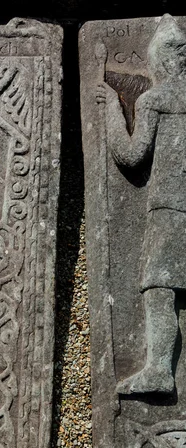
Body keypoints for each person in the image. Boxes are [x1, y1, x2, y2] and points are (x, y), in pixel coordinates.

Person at [97, 14, 186, 394]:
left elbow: (131, 156)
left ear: (161, 60)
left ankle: (160, 371)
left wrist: (112, 111)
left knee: (159, 289)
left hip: (170, 207)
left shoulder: (157, 99)